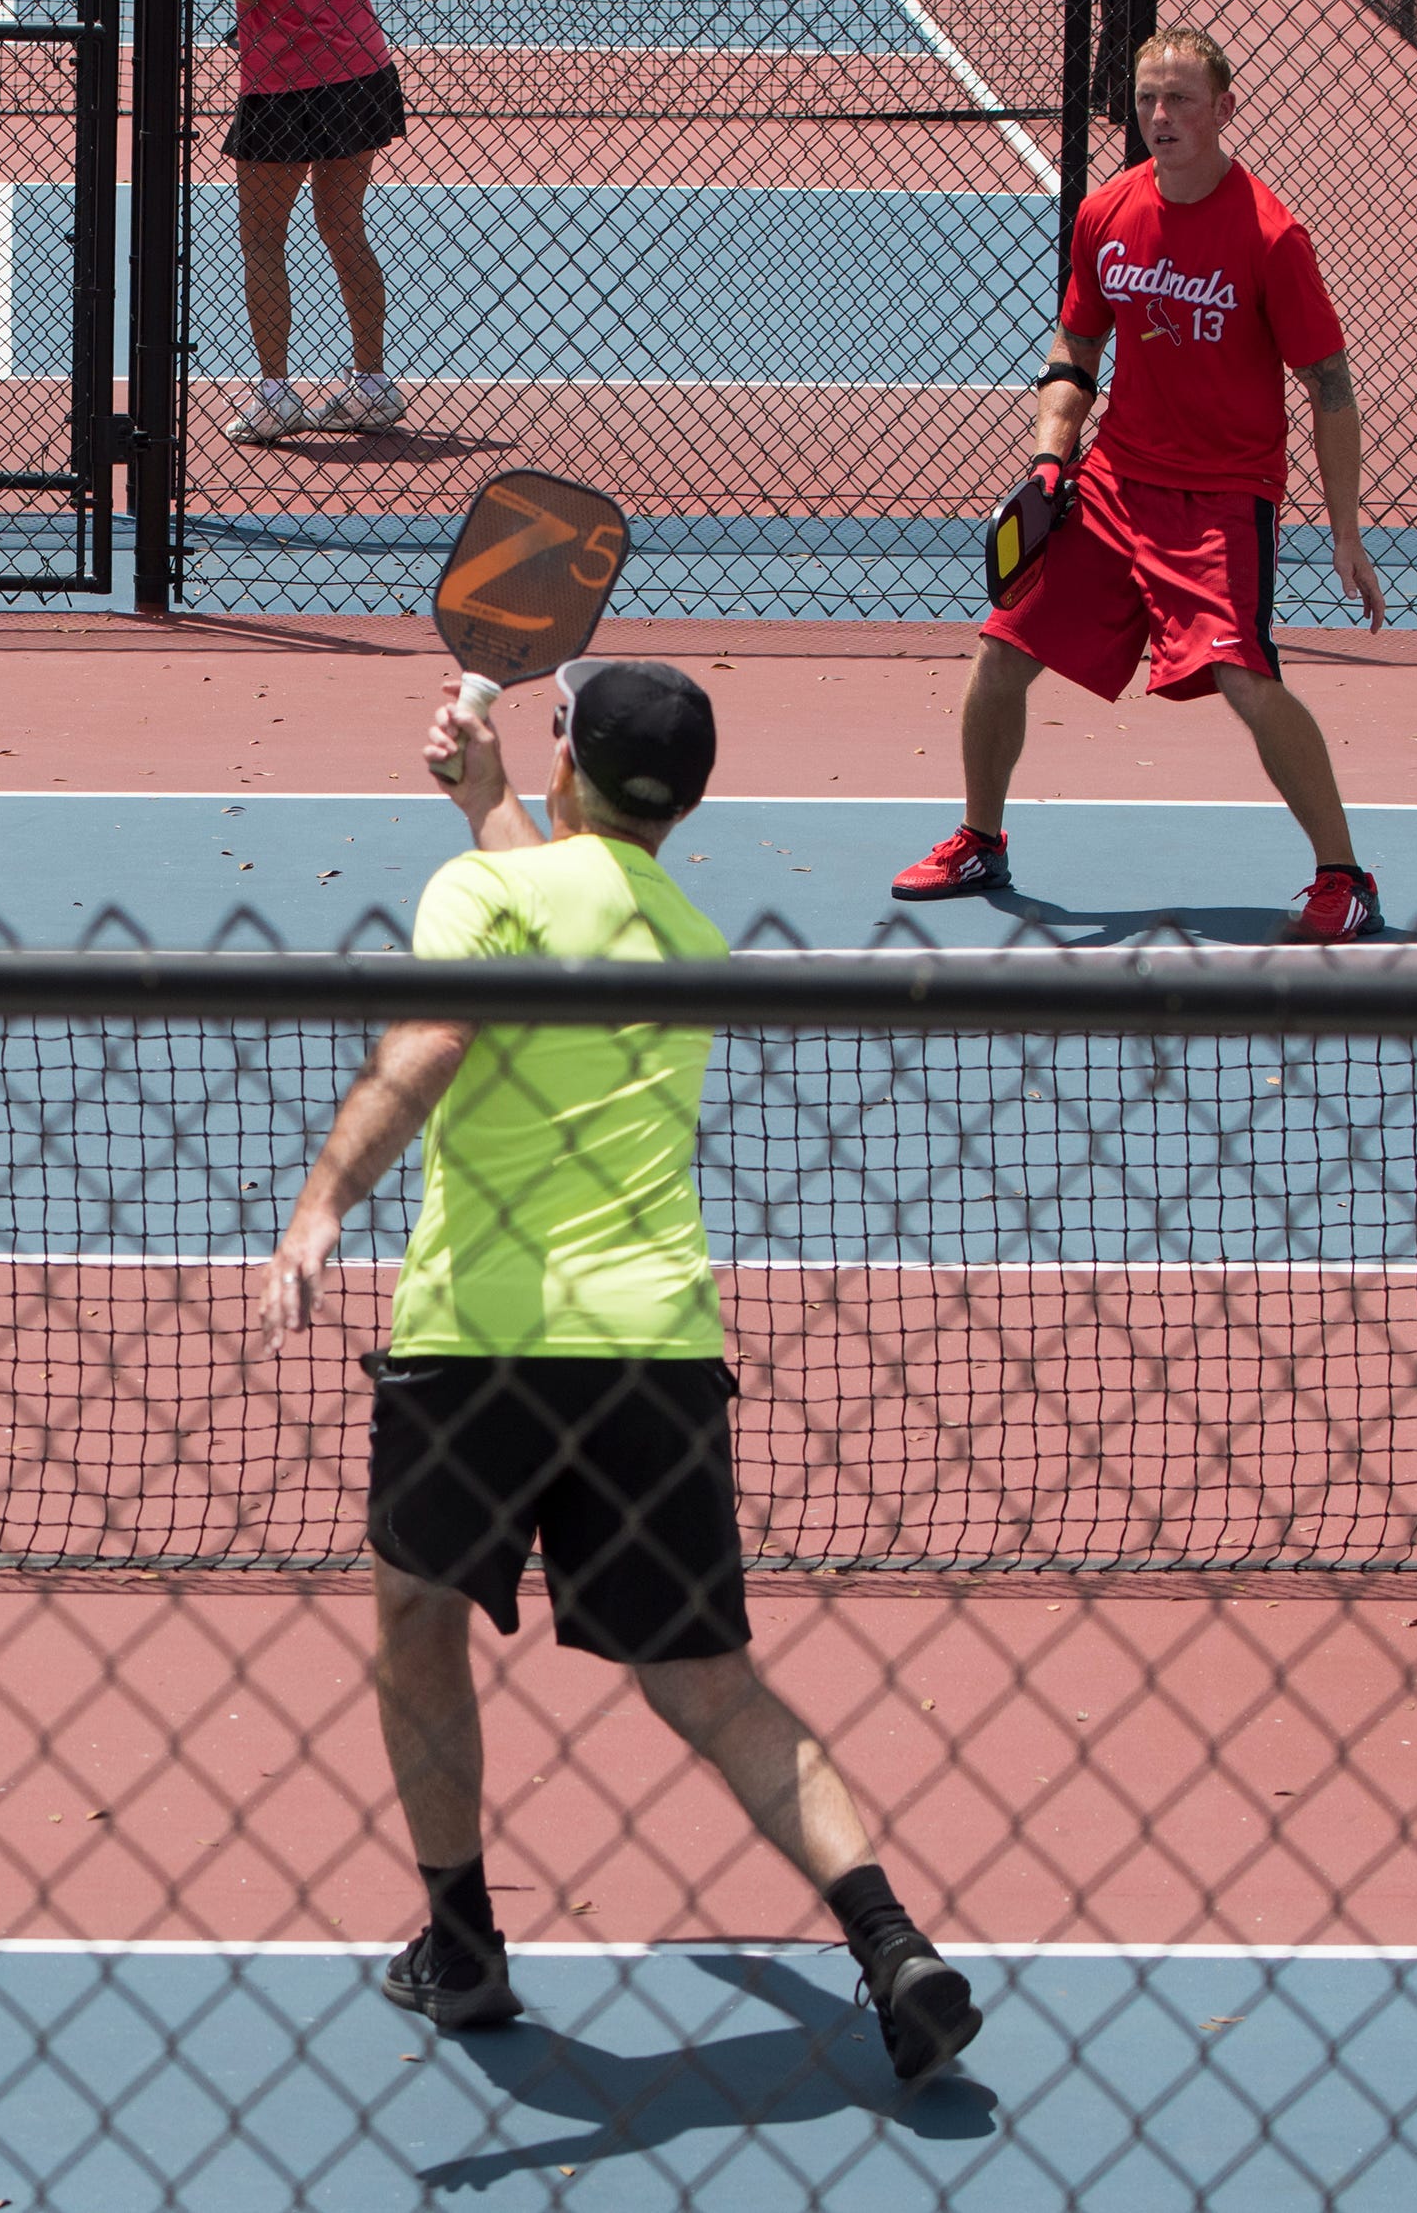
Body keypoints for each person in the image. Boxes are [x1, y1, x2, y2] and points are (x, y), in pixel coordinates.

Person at [255, 657, 986, 2087]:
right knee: (711, 1682)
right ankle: (892, 1940)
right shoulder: (688, 932)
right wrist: (493, 804)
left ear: (571, 762)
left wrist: (322, 1200)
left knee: (415, 1616)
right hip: (655, 1351)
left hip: (479, 1340)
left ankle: (462, 1943)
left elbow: (443, 1033)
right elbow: (574, 907)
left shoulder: (491, 899)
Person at [893, 27, 1392, 942]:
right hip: (1115, 482)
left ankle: (1345, 876)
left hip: (1221, 497)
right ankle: (980, 839)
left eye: (1182, 100)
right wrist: (1052, 452)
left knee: (1243, 678)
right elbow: (1077, 343)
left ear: (1225, 111)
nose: (1160, 117)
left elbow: (1330, 385)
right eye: (1148, 99)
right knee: (1002, 650)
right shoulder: (1107, 213)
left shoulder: (1272, 237)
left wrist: (1345, 531)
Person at [195, 0, 429, 448]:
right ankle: (371, 384)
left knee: (263, 237)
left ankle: (275, 396)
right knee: (343, 227)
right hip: (360, 67)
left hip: (283, 79)